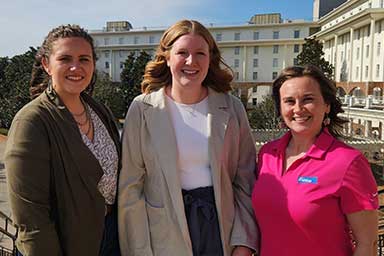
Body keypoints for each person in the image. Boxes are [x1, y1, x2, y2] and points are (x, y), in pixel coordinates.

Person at [118, 20, 259, 256]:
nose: (191, 61)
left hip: (220, 230)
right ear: (167, 57)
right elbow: (131, 188)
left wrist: (243, 242)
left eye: (200, 53)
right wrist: (138, 250)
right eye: (182, 53)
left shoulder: (231, 108)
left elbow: (245, 181)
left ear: (210, 59)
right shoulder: (142, 109)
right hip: (162, 234)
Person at [5, 24, 121, 255]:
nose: (76, 67)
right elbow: (31, 217)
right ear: (47, 64)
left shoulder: (99, 111)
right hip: (64, 244)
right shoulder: (32, 122)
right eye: (65, 58)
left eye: (84, 59)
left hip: (107, 236)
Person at [252, 65, 378, 256]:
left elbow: (367, 244)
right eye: (289, 101)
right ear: (280, 108)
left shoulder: (349, 162)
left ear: (327, 105)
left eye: (308, 99)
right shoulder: (267, 154)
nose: (298, 109)